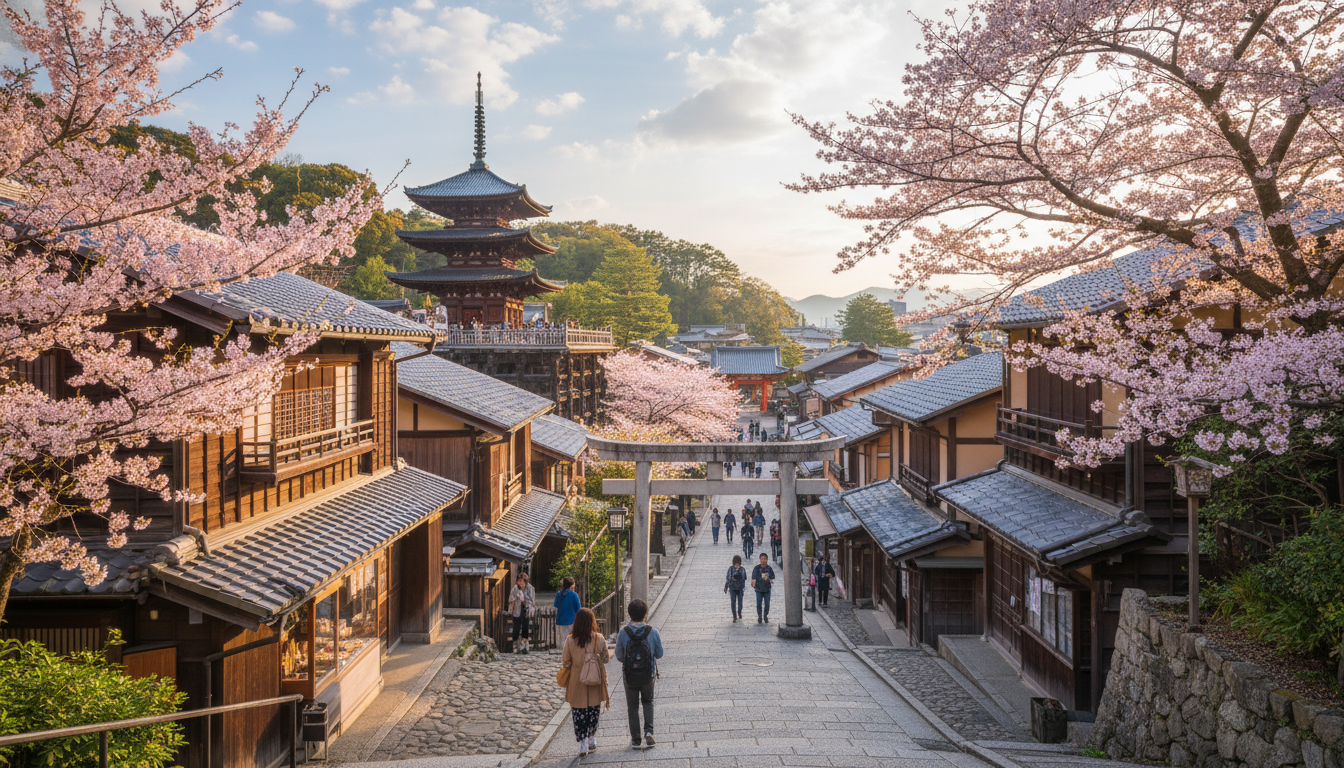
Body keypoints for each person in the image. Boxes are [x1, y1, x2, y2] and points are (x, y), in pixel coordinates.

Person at [615, 599, 664, 750]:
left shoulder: (624, 633)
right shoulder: (653, 631)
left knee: (632, 707)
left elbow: (618, 655)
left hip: (629, 675)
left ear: (629, 614)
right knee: (648, 702)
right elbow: (659, 653)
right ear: (645, 613)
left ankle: (636, 739)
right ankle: (649, 731)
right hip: (648, 673)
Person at [562, 607, 611, 757]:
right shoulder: (599, 638)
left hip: (577, 682)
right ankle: (592, 738)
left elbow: (566, 662)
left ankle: (583, 743)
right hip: (595, 681)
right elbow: (606, 658)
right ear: (592, 622)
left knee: (579, 713)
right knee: (593, 712)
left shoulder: (570, 640)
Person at [508, 572, 535, 653]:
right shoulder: (515, 588)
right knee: (516, 627)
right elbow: (510, 599)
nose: (521, 583)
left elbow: (532, 600)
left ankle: (525, 645)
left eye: (523, 581)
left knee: (525, 627)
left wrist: (524, 599)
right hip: (517, 610)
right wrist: (517, 597)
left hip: (526, 610)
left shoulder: (530, 588)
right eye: (519, 581)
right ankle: (515, 645)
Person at [554, 576, 581, 651]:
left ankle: (565, 653)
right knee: (572, 638)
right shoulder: (574, 595)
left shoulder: (559, 594)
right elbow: (578, 608)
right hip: (572, 620)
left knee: (563, 639)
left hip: (561, 620)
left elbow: (556, 605)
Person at [752, 553, 775, 623]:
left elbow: (773, 576)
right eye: (762, 559)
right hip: (758, 589)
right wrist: (753, 582)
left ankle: (765, 616)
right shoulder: (756, 568)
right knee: (759, 604)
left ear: (767, 560)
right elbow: (753, 578)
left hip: (767, 589)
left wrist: (769, 578)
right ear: (760, 560)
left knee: (767, 604)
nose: (763, 560)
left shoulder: (769, 568)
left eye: (765, 559)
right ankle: (759, 616)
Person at [724, 555, 747, 622]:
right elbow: (728, 578)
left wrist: (739, 577)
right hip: (732, 588)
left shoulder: (742, 569)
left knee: (740, 603)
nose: (737, 566)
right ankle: (734, 616)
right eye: (735, 565)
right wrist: (730, 580)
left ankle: (739, 612)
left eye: (738, 565)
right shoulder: (730, 569)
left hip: (740, 588)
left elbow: (744, 578)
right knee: (733, 603)